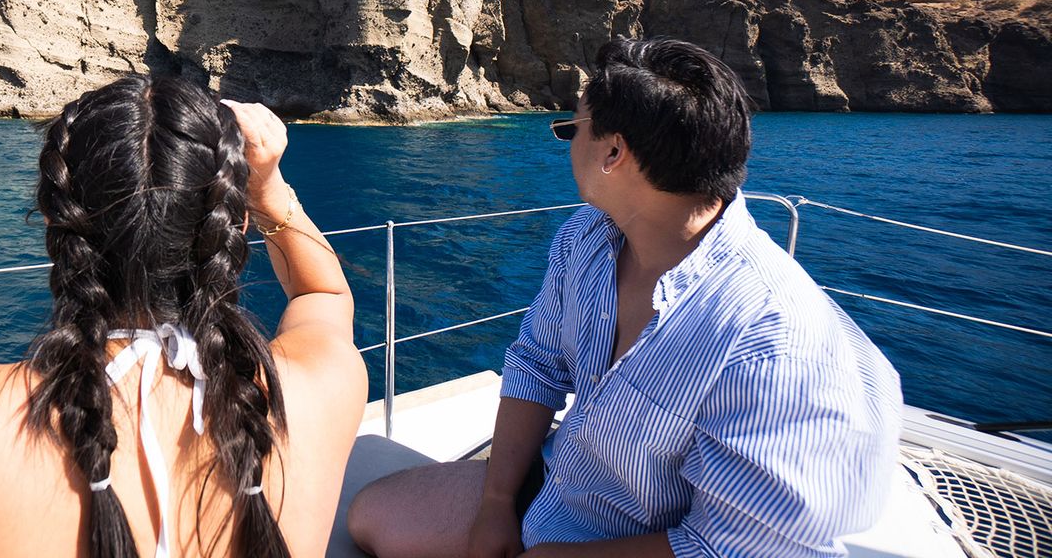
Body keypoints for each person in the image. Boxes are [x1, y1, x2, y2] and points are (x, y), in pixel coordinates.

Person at [347, 37, 903, 558]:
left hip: (659, 539)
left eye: (572, 130)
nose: (567, 143)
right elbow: (535, 368)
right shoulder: (586, 238)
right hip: (565, 488)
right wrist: (496, 506)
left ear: (613, 151)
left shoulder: (774, 343)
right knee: (369, 517)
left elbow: (735, 547)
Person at [0, 75, 367, 557]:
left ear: (54, 222)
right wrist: (268, 190)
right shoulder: (316, 393)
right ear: (233, 223)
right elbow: (323, 292)